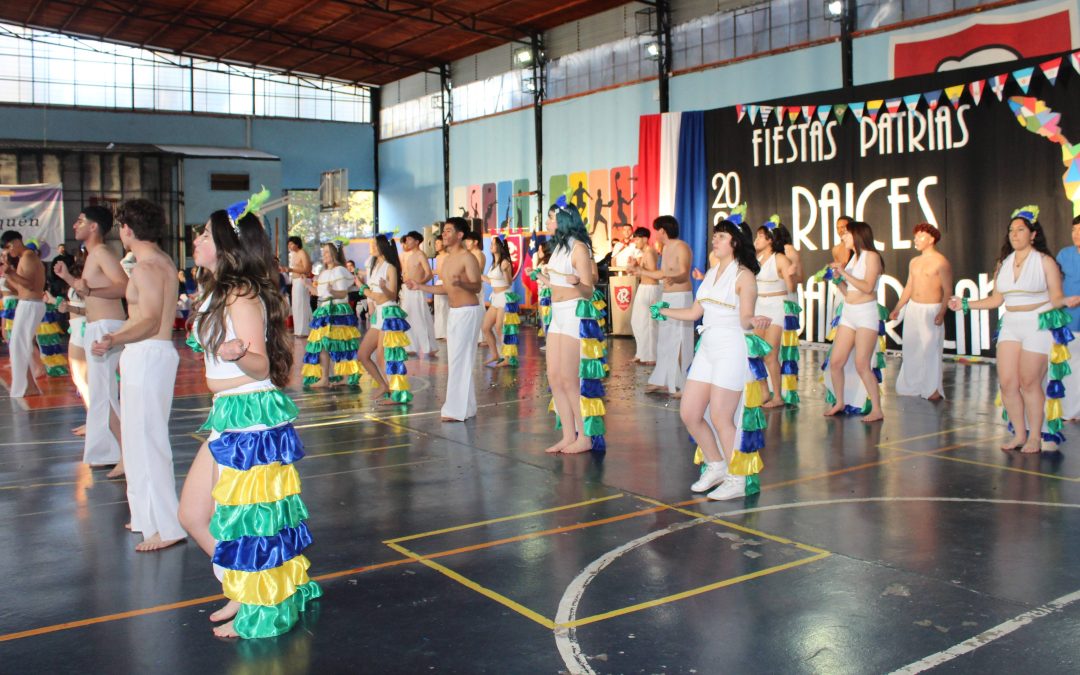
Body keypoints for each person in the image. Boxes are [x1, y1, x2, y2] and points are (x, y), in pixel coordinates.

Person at [179, 206, 321, 639]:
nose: (197, 240)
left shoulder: (240, 296)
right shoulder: (217, 292)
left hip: (249, 415)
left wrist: (241, 354)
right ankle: (240, 587)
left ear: (225, 246)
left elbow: (261, 366)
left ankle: (258, 606)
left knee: (250, 521)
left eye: (204, 235)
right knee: (191, 514)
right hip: (230, 413)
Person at [90, 199, 185, 552]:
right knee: (137, 441)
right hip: (148, 355)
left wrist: (114, 338)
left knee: (148, 442)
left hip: (148, 354)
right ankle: (147, 516)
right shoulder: (159, 261)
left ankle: (167, 523)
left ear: (127, 230)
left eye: (121, 227)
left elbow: (147, 319)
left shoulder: (147, 268)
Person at [948, 206, 1080, 452]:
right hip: (1011, 323)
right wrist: (964, 304)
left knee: (1030, 382)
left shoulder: (1045, 261)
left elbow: (1057, 296)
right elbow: (996, 300)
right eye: (1011, 230)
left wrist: (1066, 301)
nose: (1014, 234)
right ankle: (1020, 434)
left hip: (1037, 324)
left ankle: (1035, 436)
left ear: (1032, 235)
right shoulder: (1004, 263)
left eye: (1021, 230)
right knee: (1008, 383)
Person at [657, 220, 771, 500]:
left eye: (720, 237)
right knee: (690, 413)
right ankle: (717, 465)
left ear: (734, 242)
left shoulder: (744, 276)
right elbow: (696, 313)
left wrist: (754, 320)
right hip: (707, 347)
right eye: (714, 236)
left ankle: (737, 478)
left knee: (722, 416)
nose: (714, 241)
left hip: (731, 347)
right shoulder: (710, 273)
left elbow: (745, 317)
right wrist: (665, 311)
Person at [54, 206, 128, 477]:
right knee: (100, 393)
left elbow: (123, 285)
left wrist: (88, 288)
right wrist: (68, 279)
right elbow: (89, 292)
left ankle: (125, 454)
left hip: (106, 327)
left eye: (80, 221)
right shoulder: (92, 255)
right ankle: (111, 450)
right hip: (95, 326)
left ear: (94, 226)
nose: (75, 225)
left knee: (106, 394)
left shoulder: (102, 253)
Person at [535, 199, 604, 453]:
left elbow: (587, 290)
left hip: (575, 314)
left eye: (551, 218)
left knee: (570, 379)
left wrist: (576, 282)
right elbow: (559, 286)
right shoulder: (557, 249)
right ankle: (567, 435)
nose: (548, 223)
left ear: (563, 220)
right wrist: (544, 279)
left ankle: (585, 438)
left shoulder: (579, 249)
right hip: (558, 315)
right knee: (554, 377)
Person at [407, 218, 483, 421]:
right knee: (458, 359)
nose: (444, 235)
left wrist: (463, 283)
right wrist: (419, 287)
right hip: (455, 312)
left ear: (459, 235)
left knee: (459, 359)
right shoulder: (446, 260)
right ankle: (467, 407)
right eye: (444, 231)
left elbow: (476, 286)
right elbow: (445, 289)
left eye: (449, 231)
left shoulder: (468, 258)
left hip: (468, 311)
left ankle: (455, 410)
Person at [824, 221, 886, 422]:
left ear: (857, 235)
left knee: (862, 364)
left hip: (866, 314)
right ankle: (840, 401)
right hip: (849, 313)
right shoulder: (853, 259)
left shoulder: (872, 257)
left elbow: (867, 287)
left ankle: (876, 408)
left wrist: (844, 273)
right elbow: (848, 292)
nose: (843, 237)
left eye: (847, 234)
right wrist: (838, 279)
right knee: (836, 362)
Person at [631, 216, 693, 397]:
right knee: (665, 338)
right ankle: (665, 380)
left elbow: (683, 272)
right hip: (667, 295)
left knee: (680, 338)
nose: (656, 234)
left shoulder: (681, 247)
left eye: (657, 230)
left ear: (663, 231)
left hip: (681, 296)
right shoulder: (665, 249)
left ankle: (684, 384)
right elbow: (662, 273)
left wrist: (675, 278)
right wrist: (640, 271)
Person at [891, 223, 952, 400]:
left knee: (930, 349)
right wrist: (898, 307)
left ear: (931, 239)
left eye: (920, 236)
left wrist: (942, 312)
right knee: (911, 347)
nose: (916, 239)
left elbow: (947, 290)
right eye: (915, 236)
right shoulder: (914, 262)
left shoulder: (941, 262)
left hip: (931, 310)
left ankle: (932, 388)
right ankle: (911, 385)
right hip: (913, 308)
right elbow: (909, 286)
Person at [358, 235, 411, 403]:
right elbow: (375, 298)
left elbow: (390, 296)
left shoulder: (390, 268)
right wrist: (370, 293)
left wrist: (365, 290)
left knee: (383, 355)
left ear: (382, 246)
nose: (371, 247)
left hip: (389, 313)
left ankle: (397, 393)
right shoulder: (374, 266)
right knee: (363, 354)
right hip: (378, 315)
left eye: (374, 244)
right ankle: (384, 385)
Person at [301, 242, 362, 389]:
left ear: (334, 253)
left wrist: (333, 292)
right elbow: (319, 293)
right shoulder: (323, 273)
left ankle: (346, 377)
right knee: (322, 345)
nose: (324, 255)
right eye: (324, 252)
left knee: (341, 344)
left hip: (337, 310)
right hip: (324, 310)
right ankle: (325, 378)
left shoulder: (339, 271)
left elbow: (342, 293)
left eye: (327, 252)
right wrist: (308, 285)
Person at [753, 219, 798, 407]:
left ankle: (778, 396)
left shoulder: (780, 258)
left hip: (776, 306)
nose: (756, 240)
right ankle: (764, 391)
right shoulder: (755, 259)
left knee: (770, 354)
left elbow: (791, 287)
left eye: (760, 236)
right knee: (755, 351)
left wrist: (792, 275)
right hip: (758, 306)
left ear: (770, 240)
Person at [0, 231, 46, 397]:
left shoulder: (28, 257)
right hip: (28, 303)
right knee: (19, 346)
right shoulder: (25, 257)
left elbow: (30, 285)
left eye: (8, 247)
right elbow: (21, 288)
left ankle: (27, 386)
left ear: (16, 242)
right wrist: (9, 274)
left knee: (19, 346)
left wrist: (11, 273)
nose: (9, 251)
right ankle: (29, 385)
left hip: (30, 304)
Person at [56, 248, 90, 435]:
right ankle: (92, 419)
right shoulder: (79, 278)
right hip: (77, 329)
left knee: (84, 380)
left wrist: (69, 307)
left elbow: (94, 309)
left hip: (83, 331)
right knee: (80, 380)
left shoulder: (89, 279)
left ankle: (94, 421)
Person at [399, 231, 438, 357]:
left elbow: (429, 273)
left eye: (410, 239)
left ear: (417, 241)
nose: (407, 241)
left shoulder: (420, 255)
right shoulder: (405, 255)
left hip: (416, 290)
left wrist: (418, 284)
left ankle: (429, 347)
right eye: (406, 239)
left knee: (421, 318)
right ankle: (410, 346)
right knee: (406, 317)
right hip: (405, 289)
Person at [1058, 215, 1080, 420]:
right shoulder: (1065, 254)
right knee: (1069, 367)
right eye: (1074, 229)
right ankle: (1071, 410)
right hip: (1069, 319)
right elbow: (1054, 282)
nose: (1076, 234)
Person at [480, 237, 515, 367]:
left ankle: (507, 357)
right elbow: (490, 279)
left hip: (505, 296)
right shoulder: (493, 263)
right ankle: (495, 354)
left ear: (500, 246)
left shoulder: (505, 262)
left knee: (500, 327)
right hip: (495, 297)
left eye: (494, 244)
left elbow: (509, 282)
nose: (491, 246)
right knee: (485, 327)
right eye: (491, 244)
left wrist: (505, 271)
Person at [628, 227, 660, 365]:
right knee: (637, 322)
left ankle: (651, 356)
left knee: (649, 324)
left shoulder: (650, 252)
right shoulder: (644, 253)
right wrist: (635, 268)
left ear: (645, 239)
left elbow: (653, 273)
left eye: (637, 239)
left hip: (650, 289)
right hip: (644, 287)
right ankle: (641, 353)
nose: (635, 242)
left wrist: (638, 268)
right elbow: (644, 272)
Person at [282, 236, 312, 337]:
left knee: (301, 305)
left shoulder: (302, 253)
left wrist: (291, 270)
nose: (289, 246)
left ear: (297, 244)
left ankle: (304, 331)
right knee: (296, 306)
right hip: (295, 281)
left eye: (291, 243)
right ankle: (298, 330)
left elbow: (307, 269)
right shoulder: (293, 254)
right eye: (288, 244)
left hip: (301, 281)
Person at [432, 235, 449, 340]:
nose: (436, 245)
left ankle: (447, 333)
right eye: (435, 243)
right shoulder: (437, 257)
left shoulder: (448, 256)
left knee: (445, 308)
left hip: (446, 282)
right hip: (439, 282)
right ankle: (439, 333)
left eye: (438, 243)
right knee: (438, 308)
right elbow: (437, 270)